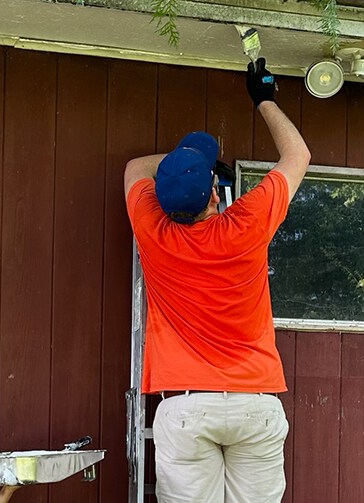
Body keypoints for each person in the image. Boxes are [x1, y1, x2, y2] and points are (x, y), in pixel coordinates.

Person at [123, 57, 310, 503]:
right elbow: (297, 155)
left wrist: (178, 170)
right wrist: (263, 99)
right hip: (254, 402)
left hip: (187, 405)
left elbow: (135, 168)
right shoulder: (245, 224)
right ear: (214, 193)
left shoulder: (153, 228)